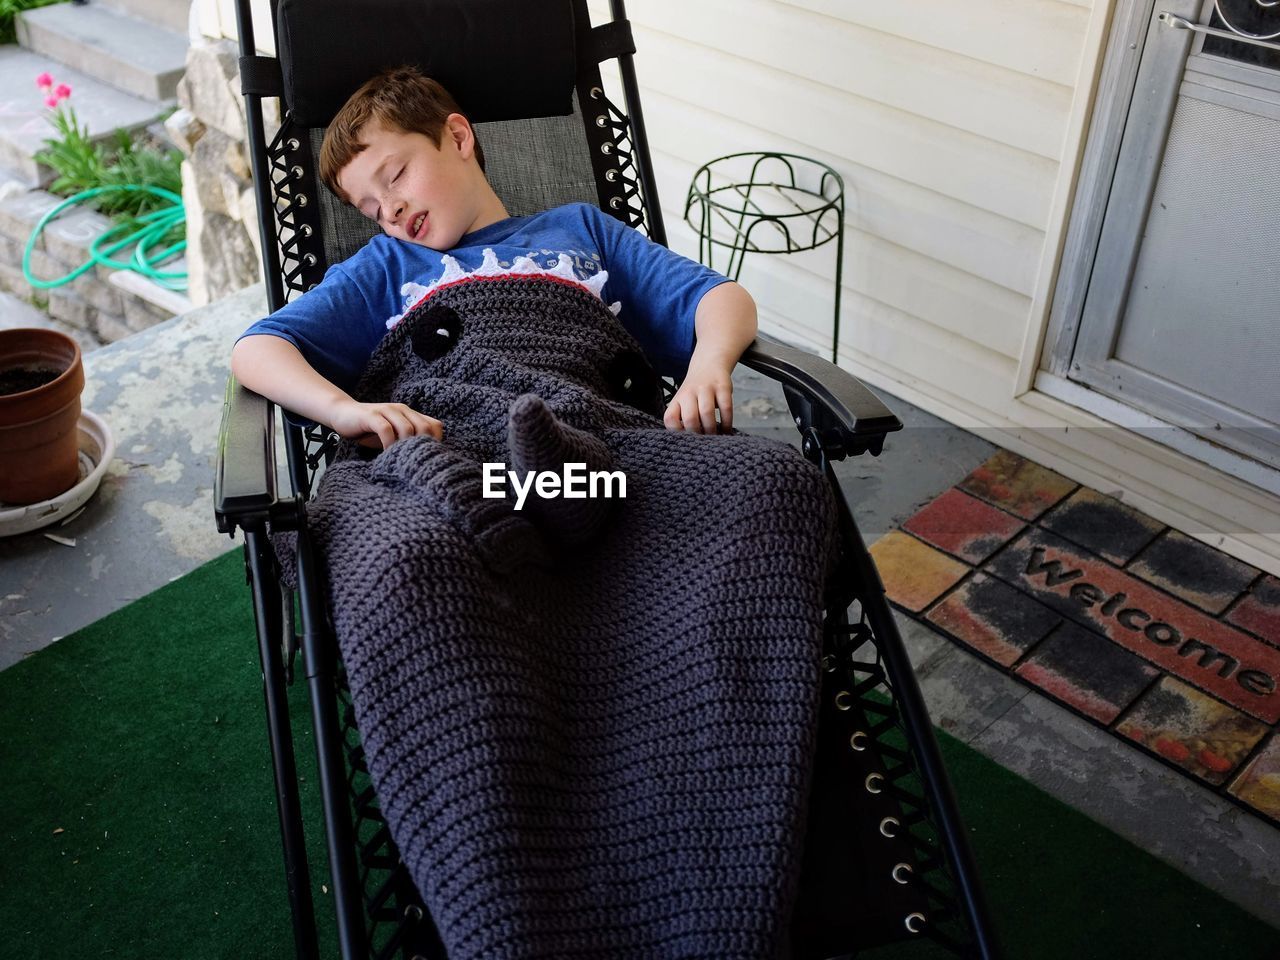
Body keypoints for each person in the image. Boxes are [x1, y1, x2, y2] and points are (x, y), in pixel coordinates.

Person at [230, 66, 758, 450]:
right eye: (368, 208)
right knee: (398, 557)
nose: (388, 209)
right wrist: (344, 411)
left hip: (606, 448)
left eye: (394, 177)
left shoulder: (580, 228)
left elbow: (720, 297)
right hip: (461, 456)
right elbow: (257, 349)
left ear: (457, 137)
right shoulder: (386, 265)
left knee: (773, 482)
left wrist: (707, 365)